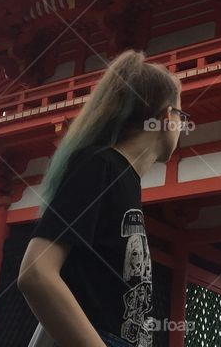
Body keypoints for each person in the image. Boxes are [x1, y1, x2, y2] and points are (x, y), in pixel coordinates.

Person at [18, 49, 187, 347]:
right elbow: (36, 272)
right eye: (181, 116)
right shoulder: (99, 165)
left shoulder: (124, 179)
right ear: (166, 118)